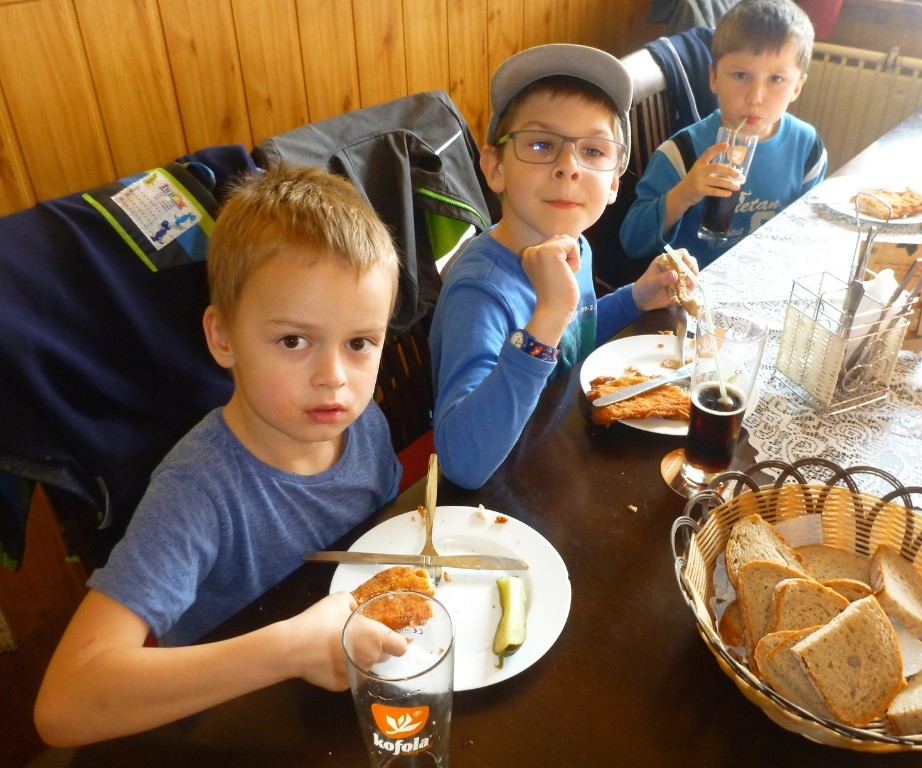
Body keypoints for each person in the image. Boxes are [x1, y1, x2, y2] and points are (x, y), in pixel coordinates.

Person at [34, 165, 410, 746]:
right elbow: (65, 705)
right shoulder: (196, 490)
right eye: (294, 340)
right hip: (235, 720)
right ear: (223, 337)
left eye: (360, 342)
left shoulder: (364, 424)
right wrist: (290, 649)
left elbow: (383, 540)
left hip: (346, 691)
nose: (334, 378)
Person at [430, 44, 696, 489]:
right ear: (494, 168)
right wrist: (548, 315)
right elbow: (462, 462)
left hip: (557, 454)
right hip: (499, 492)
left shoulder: (574, 245)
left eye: (592, 150)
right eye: (541, 144)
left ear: (614, 182)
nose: (568, 167)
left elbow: (575, 336)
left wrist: (634, 298)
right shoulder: (480, 293)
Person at [621, 0, 827, 268]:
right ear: (714, 77)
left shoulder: (808, 150)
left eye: (776, 79)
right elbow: (632, 243)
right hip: (695, 287)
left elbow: (807, 233)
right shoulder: (681, 153)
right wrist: (684, 193)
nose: (755, 97)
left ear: (797, 87)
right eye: (741, 75)